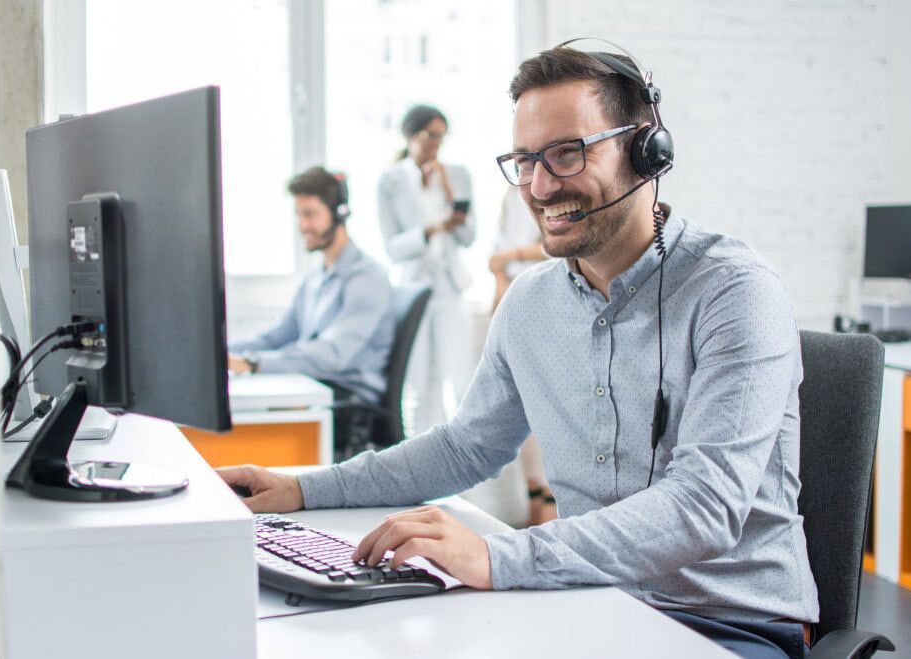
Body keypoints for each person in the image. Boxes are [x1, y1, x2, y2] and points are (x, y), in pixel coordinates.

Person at [219, 42, 818, 659]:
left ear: (647, 150)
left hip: (728, 627)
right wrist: (302, 489)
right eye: (525, 160)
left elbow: (705, 506)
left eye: (566, 153)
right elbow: (465, 447)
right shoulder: (531, 302)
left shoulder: (734, 292)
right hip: (587, 603)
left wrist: (493, 553)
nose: (538, 185)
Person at [228, 166, 396, 456]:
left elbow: (332, 356)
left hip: (348, 406)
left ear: (339, 213)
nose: (302, 225)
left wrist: (253, 363)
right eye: (299, 214)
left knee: (245, 424)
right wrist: (222, 353)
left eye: (310, 214)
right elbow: (278, 336)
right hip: (317, 390)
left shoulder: (366, 278)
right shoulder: (316, 275)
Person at [377, 104, 476, 435]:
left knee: (461, 379)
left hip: (450, 289)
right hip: (415, 290)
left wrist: (451, 196)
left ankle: (463, 464)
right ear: (410, 136)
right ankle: (418, 465)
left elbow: (467, 236)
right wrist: (430, 229)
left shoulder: (458, 175)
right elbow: (392, 248)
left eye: (442, 137)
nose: (437, 143)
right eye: (430, 136)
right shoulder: (390, 181)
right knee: (419, 384)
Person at [489, 186, 554, 526]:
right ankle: (535, 498)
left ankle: (549, 500)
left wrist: (512, 256)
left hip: (543, 299)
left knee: (545, 409)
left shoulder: (550, 193)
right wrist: (500, 282)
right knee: (523, 411)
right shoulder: (509, 197)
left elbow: (555, 248)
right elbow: (496, 254)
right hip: (513, 300)